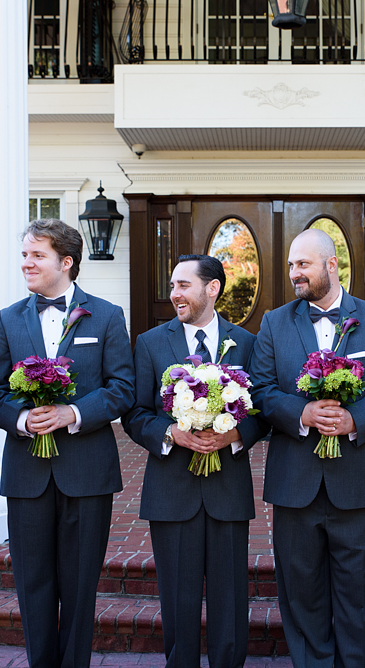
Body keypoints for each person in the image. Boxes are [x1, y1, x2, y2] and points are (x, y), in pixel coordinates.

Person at [249, 228, 365, 668]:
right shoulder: (274, 322)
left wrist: (355, 418)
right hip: (295, 481)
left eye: (302, 264)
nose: (293, 273)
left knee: (362, 593)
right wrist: (302, 414)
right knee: (301, 592)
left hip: (361, 480)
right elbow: (260, 390)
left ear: (331, 265)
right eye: (290, 266)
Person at [0, 218, 135, 668]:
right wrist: (24, 417)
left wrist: (73, 413)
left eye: (37, 255)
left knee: (80, 584)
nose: (26, 264)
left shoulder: (107, 315)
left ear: (66, 262)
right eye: (25, 255)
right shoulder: (7, 319)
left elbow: (122, 387)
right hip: (27, 473)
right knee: (32, 583)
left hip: (87, 471)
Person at [122, 254, 268, 668]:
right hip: (171, 489)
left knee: (230, 597)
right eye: (172, 286)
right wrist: (171, 434)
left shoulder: (249, 343)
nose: (174, 294)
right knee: (177, 597)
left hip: (228, 488)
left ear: (212, 288)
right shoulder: (150, 343)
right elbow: (134, 414)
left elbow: (263, 412)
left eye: (183, 285)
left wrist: (235, 434)